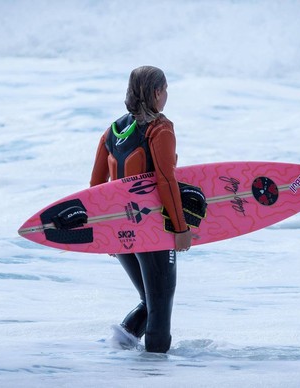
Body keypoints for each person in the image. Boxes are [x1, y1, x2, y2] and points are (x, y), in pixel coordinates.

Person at [90, 66, 192, 353]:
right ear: (157, 92)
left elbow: (96, 188)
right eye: (166, 90)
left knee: (150, 300)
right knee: (160, 303)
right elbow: (165, 180)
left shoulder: (112, 131)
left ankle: (120, 347)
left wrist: (105, 232)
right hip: (152, 231)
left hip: (121, 230)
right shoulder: (160, 128)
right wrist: (181, 229)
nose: (167, 96)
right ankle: (155, 373)